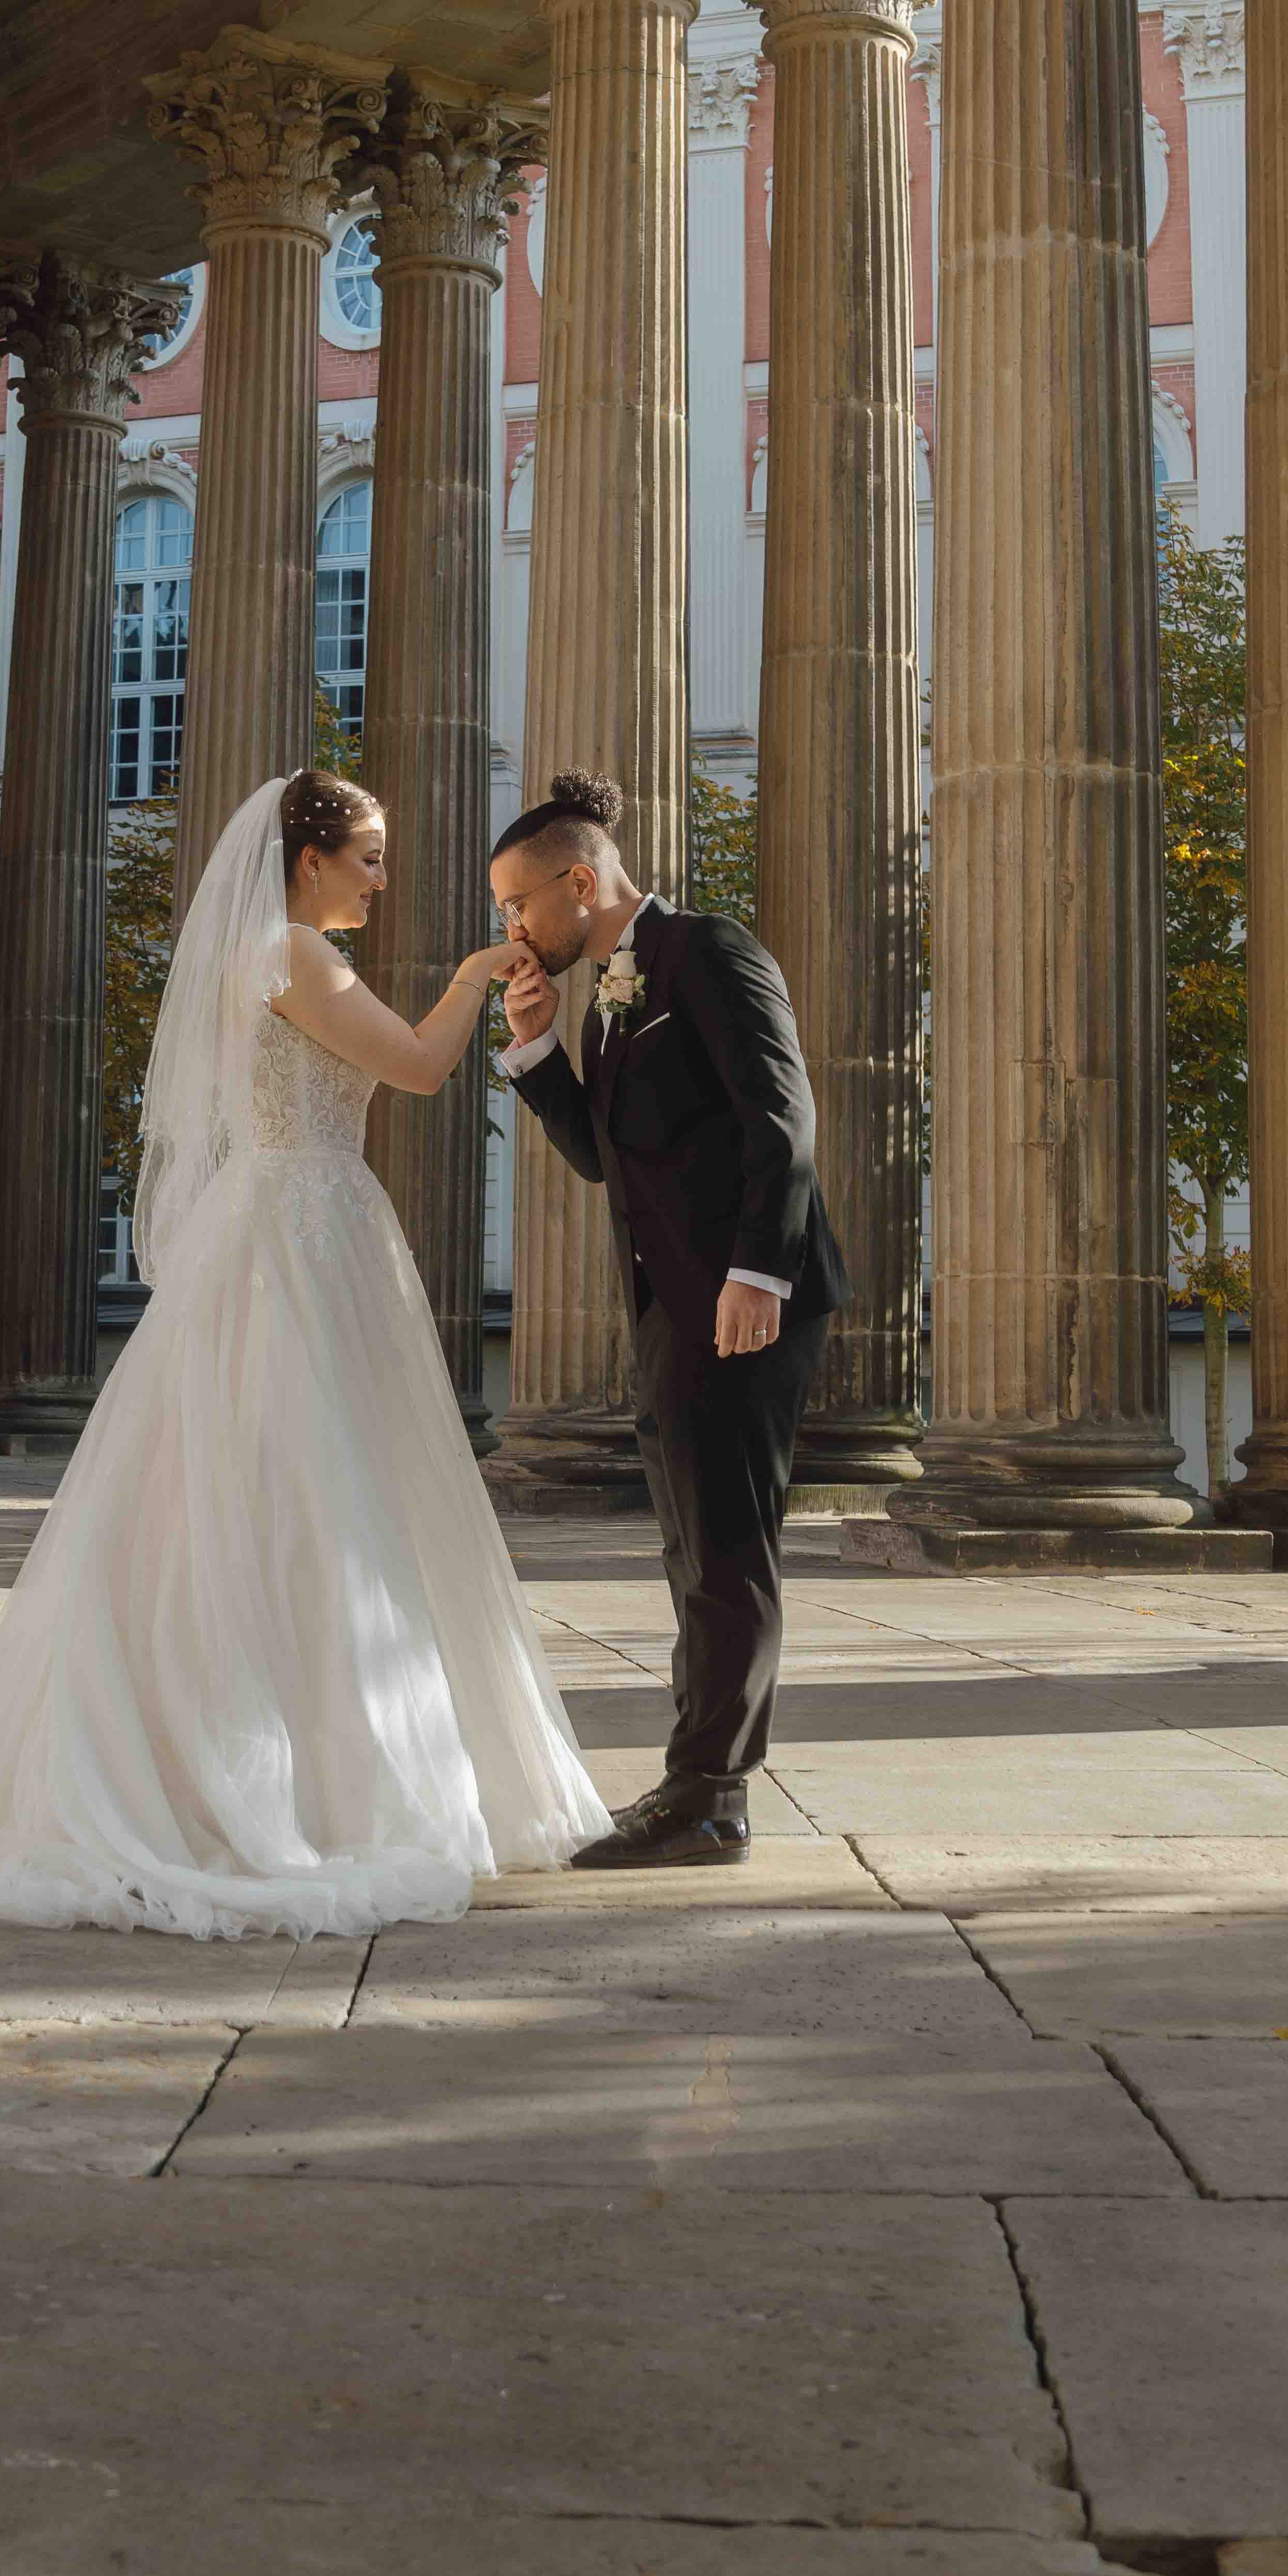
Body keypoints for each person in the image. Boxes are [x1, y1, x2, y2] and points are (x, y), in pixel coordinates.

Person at [0, 768, 605, 1940]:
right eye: (369, 856)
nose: (381, 878)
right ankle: (287, 1780)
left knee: (295, 1486)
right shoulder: (295, 953)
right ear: (309, 860)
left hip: (297, 1225)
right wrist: (472, 977)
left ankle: (271, 1749)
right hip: (300, 1236)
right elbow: (412, 1066)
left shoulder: (278, 952)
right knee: (314, 1488)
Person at [489, 769, 847, 1868]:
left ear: (580, 881)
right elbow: (609, 1162)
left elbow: (783, 1119)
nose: (511, 927)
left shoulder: (710, 951)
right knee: (693, 1548)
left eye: (517, 906)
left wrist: (758, 1275)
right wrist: (540, 1050)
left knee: (729, 1548)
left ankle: (712, 1794)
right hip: (672, 1305)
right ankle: (702, 1784)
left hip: (746, 1297)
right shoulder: (610, 990)